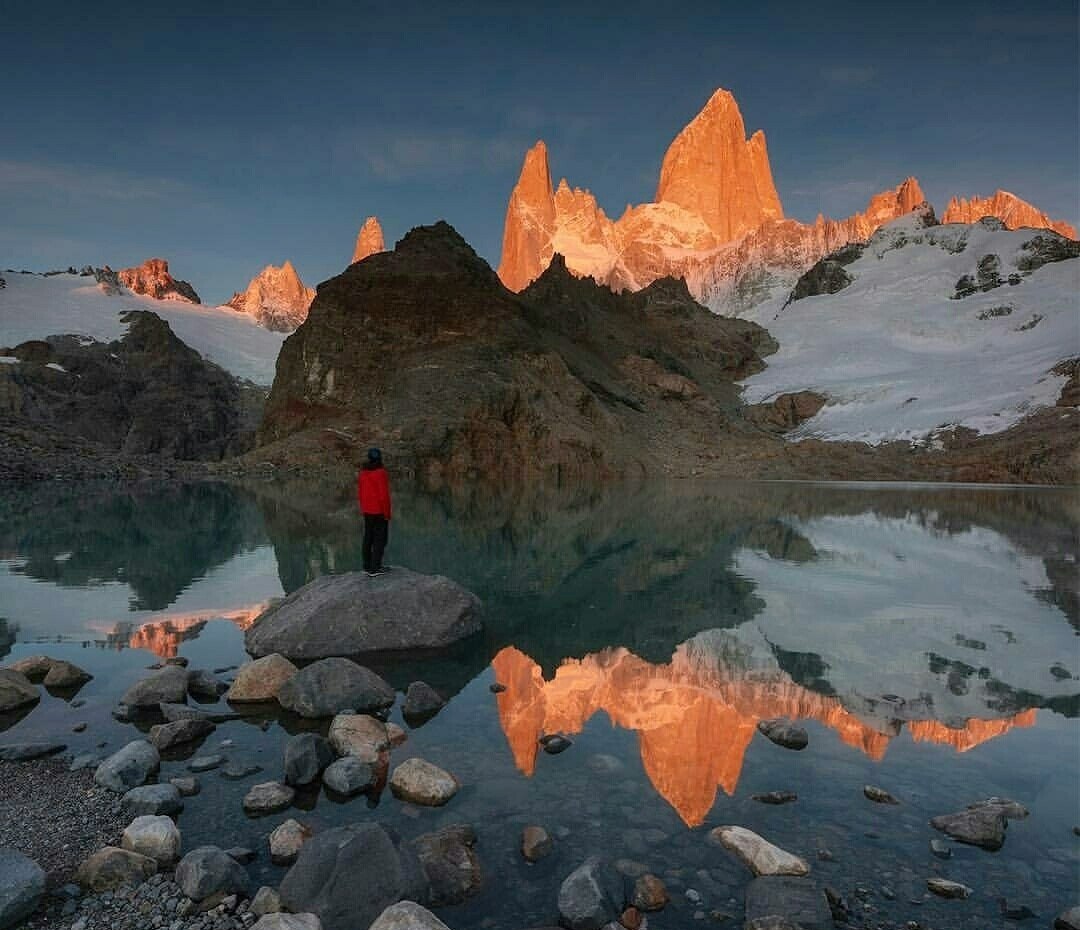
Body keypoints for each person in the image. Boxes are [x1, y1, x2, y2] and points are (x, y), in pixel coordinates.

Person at [357, 447, 392, 576]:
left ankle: (367, 566)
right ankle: (375, 568)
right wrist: (387, 513)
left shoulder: (363, 472)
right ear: (380, 458)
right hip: (379, 511)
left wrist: (363, 508)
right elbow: (383, 496)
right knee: (380, 539)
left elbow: (360, 493)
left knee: (368, 537)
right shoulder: (381, 472)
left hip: (367, 510)